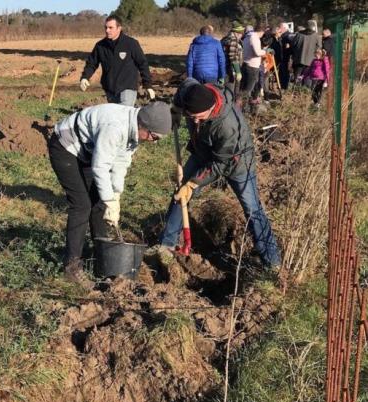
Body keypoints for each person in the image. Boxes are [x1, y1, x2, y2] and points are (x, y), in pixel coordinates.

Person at [159, 80, 281, 269]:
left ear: (212, 108)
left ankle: (272, 261)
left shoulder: (228, 126)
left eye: (198, 117)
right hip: (203, 152)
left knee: (252, 208)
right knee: (180, 195)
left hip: (237, 162)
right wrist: (175, 110)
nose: (195, 121)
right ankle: (166, 245)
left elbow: (221, 164)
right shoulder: (190, 94)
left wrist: (193, 183)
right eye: (191, 117)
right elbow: (185, 85)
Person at [49, 101, 172, 288]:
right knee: (82, 205)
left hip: (88, 150)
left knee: (98, 204)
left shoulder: (134, 130)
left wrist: (115, 195)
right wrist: (109, 199)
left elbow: (121, 161)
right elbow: (101, 165)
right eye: (154, 137)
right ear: (144, 126)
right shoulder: (115, 127)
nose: (153, 142)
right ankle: (71, 267)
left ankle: (102, 258)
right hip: (66, 146)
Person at [80, 14, 155, 106]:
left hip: (128, 87)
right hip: (110, 89)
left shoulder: (131, 44)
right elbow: (91, 63)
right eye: (106, 27)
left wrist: (148, 85)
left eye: (111, 27)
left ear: (119, 28)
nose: (107, 30)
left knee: (123, 115)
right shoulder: (100, 46)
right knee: (115, 117)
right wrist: (85, 77)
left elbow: (142, 64)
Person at [241, 25, 267, 111]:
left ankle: (248, 104)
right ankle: (244, 108)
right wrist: (266, 51)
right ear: (261, 31)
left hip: (246, 64)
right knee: (248, 89)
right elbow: (257, 52)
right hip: (252, 66)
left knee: (246, 87)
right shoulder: (254, 38)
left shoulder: (246, 37)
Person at [221, 22, 245, 97]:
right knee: (230, 93)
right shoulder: (233, 40)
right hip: (231, 71)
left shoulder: (224, 39)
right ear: (237, 33)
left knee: (223, 92)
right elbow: (233, 56)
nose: (241, 36)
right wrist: (238, 71)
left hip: (223, 69)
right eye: (241, 33)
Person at [278, 22, 294, 89]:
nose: (279, 29)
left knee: (285, 73)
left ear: (284, 28)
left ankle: (285, 87)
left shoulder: (288, 35)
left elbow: (291, 46)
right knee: (281, 73)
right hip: (282, 57)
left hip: (286, 57)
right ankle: (282, 86)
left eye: (280, 27)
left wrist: (288, 47)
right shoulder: (282, 35)